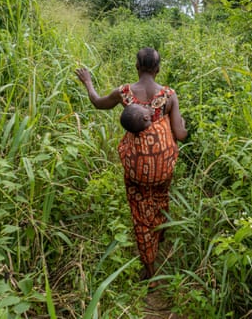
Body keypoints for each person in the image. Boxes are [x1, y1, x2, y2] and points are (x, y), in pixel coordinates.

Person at [75, 47, 188, 287]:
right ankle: (161, 231)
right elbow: (180, 134)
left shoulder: (123, 93)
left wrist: (88, 82)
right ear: (158, 69)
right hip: (162, 169)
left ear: (136, 67)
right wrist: (184, 126)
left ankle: (149, 268)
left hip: (136, 171)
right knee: (159, 197)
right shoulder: (169, 95)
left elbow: (97, 102)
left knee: (140, 212)